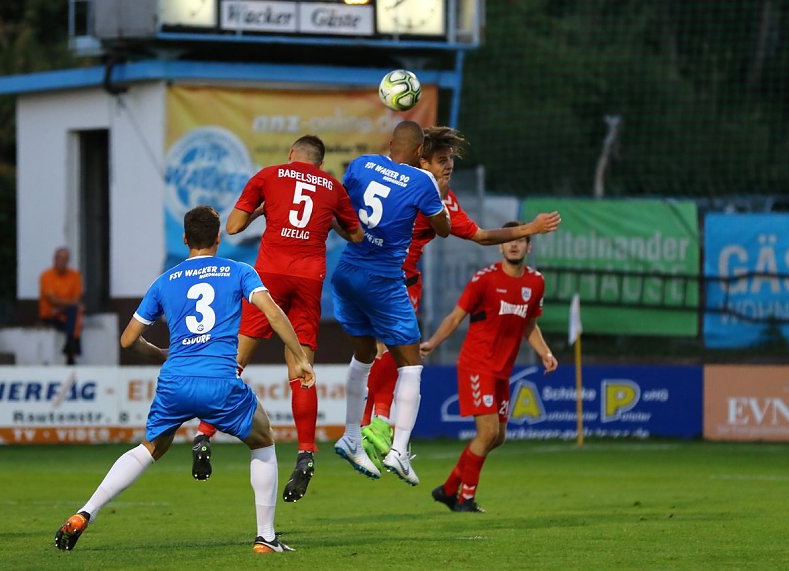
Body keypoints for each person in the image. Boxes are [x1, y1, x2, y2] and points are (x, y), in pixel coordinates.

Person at [54, 205, 314, 553]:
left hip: (175, 381)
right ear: (218, 237)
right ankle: (265, 537)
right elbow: (273, 312)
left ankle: (85, 512)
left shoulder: (165, 281)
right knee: (263, 440)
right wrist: (299, 357)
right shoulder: (238, 271)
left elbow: (128, 340)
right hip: (219, 381)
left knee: (150, 448)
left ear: (185, 238)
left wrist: (161, 354)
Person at [359, 126, 561, 462]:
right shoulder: (412, 184)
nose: (449, 165)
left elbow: (480, 235)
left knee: (388, 353)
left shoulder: (443, 196)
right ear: (423, 161)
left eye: (450, 159)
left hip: (400, 278)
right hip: (386, 276)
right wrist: (530, 228)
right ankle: (375, 425)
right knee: (397, 352)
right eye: (441, 160)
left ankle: (372, 428)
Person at [192, 135, 363, 502]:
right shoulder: (332, 187)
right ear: (319, 162)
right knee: (301, 369)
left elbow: (234, 227)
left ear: (291, 155)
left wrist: (263, 210)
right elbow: (357, 234)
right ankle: (305, 454)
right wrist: (331, 221)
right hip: (308, 278)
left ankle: (204, 435)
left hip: (268, 276)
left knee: (235, 361)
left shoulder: (269, 175)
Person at [331, 120, 451, 486]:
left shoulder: (361, 164)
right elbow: (443, 228)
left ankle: (352, 435)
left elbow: (340, 214)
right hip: (383, 279)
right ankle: (399, 449)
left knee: (364, 355)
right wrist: (438, 197)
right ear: (419, 154)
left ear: (388, 143)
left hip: (347, 271)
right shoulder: (421, 181)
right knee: (411, 366)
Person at [420, 221, 558, 512]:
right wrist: (433, 342)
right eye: (510, 240)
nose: (514, 244)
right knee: (487, 433)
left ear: (528, 246)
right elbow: (456, 316)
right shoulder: (484, 279)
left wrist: (545, 352)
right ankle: (465, 498)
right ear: (501, 245)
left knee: (498, 437)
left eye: (521, 240)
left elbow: (530, 324)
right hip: (476, 364)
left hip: (501, 371)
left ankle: (447, 488)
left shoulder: (536, 282)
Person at [39, 247, 84, 365]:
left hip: (65, 314)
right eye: (59, 258)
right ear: (55, 259)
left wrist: (62, 306)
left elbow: (76, 298)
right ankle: (72, 351)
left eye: (65, 259)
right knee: (75, 314)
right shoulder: (46, 276)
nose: (62, 261)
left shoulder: (75, 276)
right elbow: (51, 299)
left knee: (75, 314)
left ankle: (70, 348)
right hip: (50, 315)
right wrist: (70, 304)